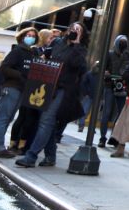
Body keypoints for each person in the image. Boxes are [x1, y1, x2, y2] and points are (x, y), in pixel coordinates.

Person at [15, 22, 88, 168]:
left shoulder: (80, 49)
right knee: (49, 123)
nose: (74, 31)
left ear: (82, 34)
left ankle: (31, 156)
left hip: (63, 89)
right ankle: (50, 156)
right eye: (72, 28)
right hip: (48, 86)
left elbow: (77, 65)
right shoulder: (57, 42)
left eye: (78, 30)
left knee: (46, 120)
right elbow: (46, 55)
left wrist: (76, 43)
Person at [0, 27, 38, 157]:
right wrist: (20, 75)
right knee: (3, 118)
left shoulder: (32, 53)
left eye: (33, 36)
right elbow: (4, 68)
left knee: (8, 118)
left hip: (21, 89)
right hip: (12, 87)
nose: (30, 37)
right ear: (22, 36)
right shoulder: (18, 51)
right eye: (28, 35)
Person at [98, 34, 129, 148]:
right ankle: (102, 138)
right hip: (109, 85)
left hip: (122, 86)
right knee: (106, 113)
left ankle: (114, 137)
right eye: (121, 42)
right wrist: (105, 72)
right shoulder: (109, 54)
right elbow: (100, 67)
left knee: (121, 113)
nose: (123, 44)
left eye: (125, 42)